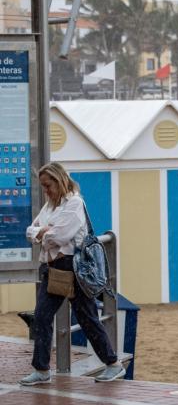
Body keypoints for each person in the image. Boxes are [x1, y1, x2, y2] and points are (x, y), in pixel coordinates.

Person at [20, 162, 123, 386]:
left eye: (48, 185)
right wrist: (43, 232)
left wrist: (43, 233)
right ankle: (42, 369)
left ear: (59, 181)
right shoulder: (50, 206)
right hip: (51, 268)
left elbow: (61, 236)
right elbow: (30, 230)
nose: (45, 191)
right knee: (42, 317)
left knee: (86, 318)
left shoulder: (74, 203)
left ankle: (113, 364)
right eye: (43, 186)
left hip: (72, 268)